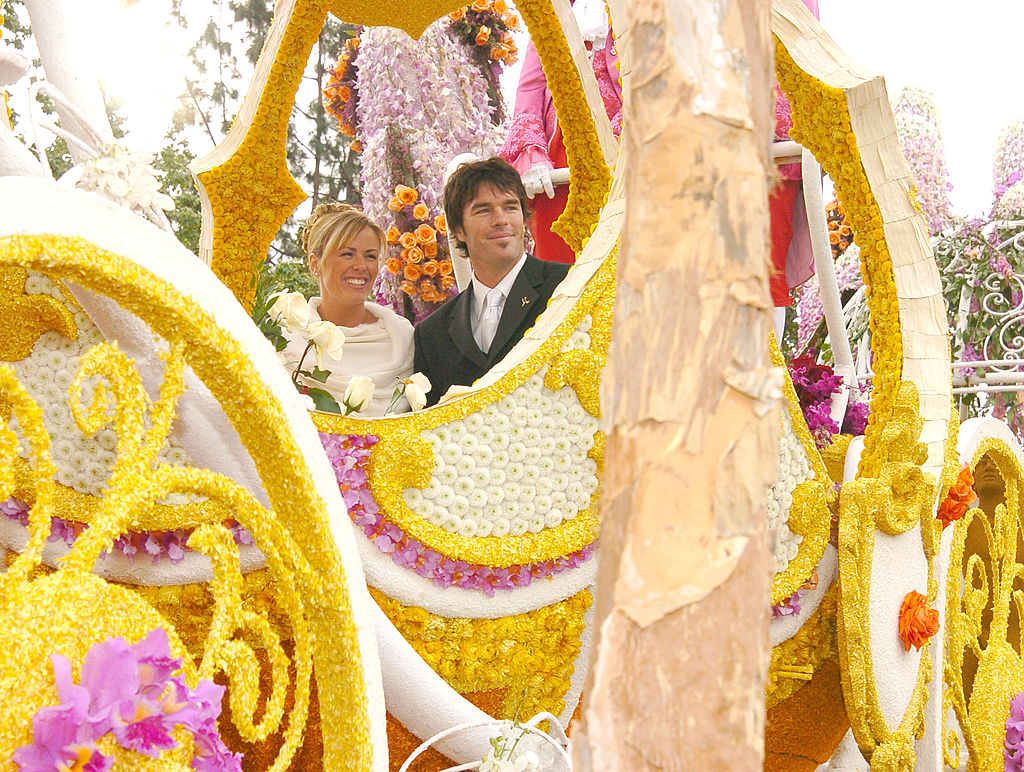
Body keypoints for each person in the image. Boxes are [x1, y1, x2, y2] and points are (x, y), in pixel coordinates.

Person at [413, 157, 570, 407]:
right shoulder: (432, 334)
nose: (501, 220)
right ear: (458, 230)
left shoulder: (569, 288)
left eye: (510, 207)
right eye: (483, 210)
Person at [279, 203, 414, 416]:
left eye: (370, 256)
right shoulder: (286, 342)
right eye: (348, 254)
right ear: (315, 264)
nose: (361, 266)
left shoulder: (404, 338)